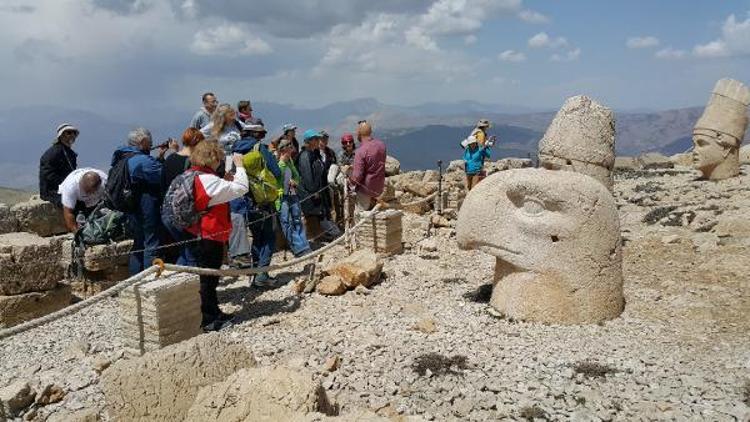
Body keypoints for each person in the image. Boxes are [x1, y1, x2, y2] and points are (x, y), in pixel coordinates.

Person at [184, 141, 248, 331]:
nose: (220, 161)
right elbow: (241, 188)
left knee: (209, 278)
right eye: (219, 158)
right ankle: (209, 319)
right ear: (211, 158)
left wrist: (225, 181)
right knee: (208, 279)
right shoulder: (206, 179)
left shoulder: (193, 174)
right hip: (208, 234)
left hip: (199, 232)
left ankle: (214, 312)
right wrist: (241, 167)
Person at [232, 124, 282, 288]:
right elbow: (276, 171)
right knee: (269, 236)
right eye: (261, 134)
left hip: (245, 201)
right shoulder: (260, 148)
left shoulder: (235, 150)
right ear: (256, 135)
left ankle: (255, 274)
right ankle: (262, 275)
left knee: (256, 237)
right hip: (264, 200)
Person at [111, 128, 163, 274]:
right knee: (151, 244)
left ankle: (134, 279)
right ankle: (149, 280)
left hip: (130, 207)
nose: (151, 143)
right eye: (149, 140)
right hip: (145, 206)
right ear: (142, 142)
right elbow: (162, 175)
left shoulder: (122, 156)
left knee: (138, 244)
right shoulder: (142, 160)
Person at [160, 127, 205, 266]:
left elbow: (163, 186)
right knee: (192, 253)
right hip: (185, 214)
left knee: (185, 250)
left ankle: (176, 280)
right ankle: (192, 284)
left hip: (168, 213)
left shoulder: (170, 159)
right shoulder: (193, 163)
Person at [277, 138, 312, 257]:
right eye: (289, 147)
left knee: (297, 220)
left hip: (292, 194)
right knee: (287, 222)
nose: (292, 149)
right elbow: (276, 181)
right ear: (283, 150)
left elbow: (297, 176)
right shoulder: (279, 165)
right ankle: (297, 247)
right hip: (282, 197)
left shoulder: (290, 162)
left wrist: (295, 182)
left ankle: (304, 245)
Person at [297, 129, 329, 239]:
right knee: (311, 214)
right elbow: (307, 176)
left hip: (316, 190)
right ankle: (314, 235)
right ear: (309, 141)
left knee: (316, 214)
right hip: (309, 193)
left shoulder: (313, 154)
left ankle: (318, 233)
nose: (318, 141)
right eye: (316, 139)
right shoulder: (305, 156)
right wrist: (313, 191)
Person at [350, 121, 386, 212]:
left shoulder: (360, 151)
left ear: (359, 133)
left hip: (365, 190)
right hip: (379, 188)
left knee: (361, 217)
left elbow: (357, 176)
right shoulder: (381, 145)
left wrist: (349, 181)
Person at [39, 123, 79, 207]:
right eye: (68, 133)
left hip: (66, 188)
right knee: (72, 204)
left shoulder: (70, 153)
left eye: (74, 133)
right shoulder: (53, 153)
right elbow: (48, 174)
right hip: (52, 191)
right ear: (61, 136)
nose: (72, 135)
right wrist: (65, 184)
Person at [57, 168, 107, 233]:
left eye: (94, 191)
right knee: (79, 217)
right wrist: (77, 233)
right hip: (78, 200)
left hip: (96, 200)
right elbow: (68, 213)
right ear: (81, 184)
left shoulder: (105, 180)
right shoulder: (70, 187)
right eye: (88, 191)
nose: (91, 194)